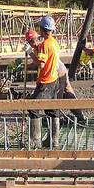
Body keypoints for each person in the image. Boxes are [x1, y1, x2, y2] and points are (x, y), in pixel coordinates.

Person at [25, 30, 85, 122]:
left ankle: (57, 120)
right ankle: (80, 117)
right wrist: (25, 66)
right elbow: (36, 63)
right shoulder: (38, 49)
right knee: (68, 94)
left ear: (34, 40)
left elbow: (41, 64)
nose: (32, 44)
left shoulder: (42, 47)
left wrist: (30, 53)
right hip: (61, 71)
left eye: (31, 42)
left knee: (57, 98)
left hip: (57, 73)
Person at [24, 18, 61, 148]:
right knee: (52, 110)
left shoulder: (45, 44)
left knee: (33, 107)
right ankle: (53, 140)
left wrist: (29, 53)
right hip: (54, 79)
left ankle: (35, 141)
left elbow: (41, 63)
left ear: (41, 28)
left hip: (46, 81)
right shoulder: (53, 42)